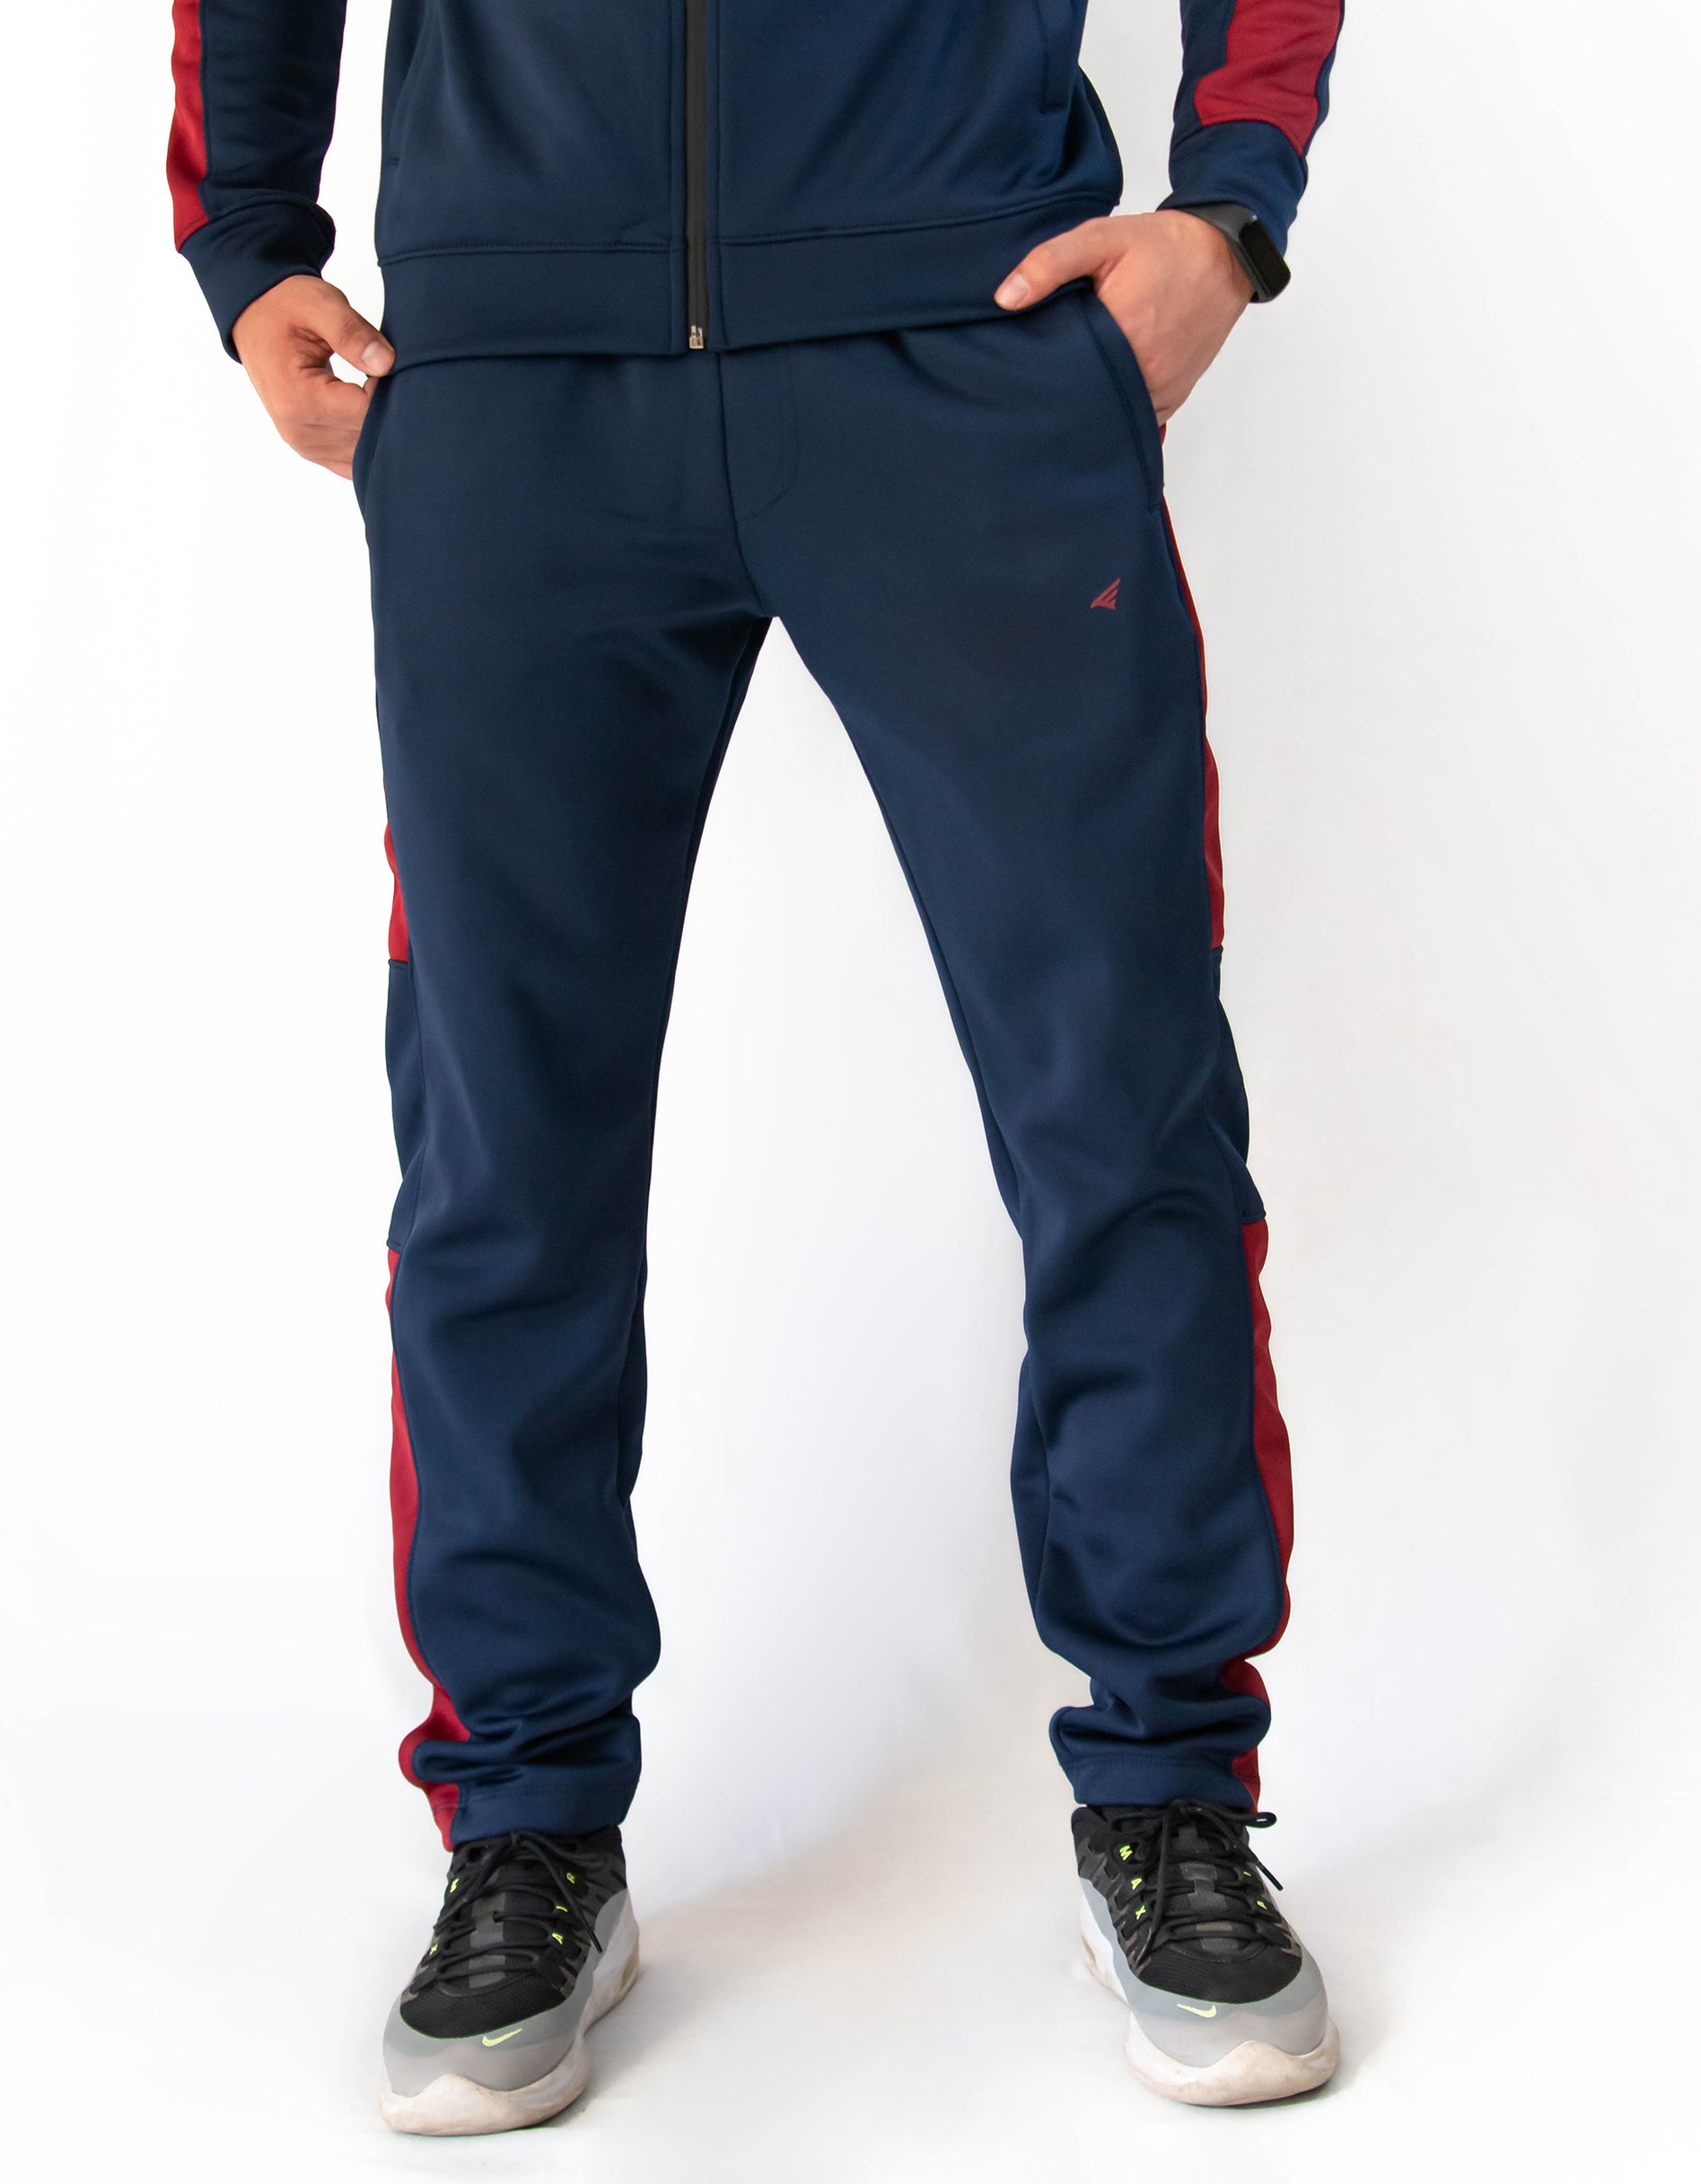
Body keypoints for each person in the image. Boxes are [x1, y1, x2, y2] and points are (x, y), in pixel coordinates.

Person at [168, 0, 1343, 2132]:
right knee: (501, 1142)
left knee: (1119, 1103)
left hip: (964, 335)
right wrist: (248, 236)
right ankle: (525, 1812)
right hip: (518, 375)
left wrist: (1228, 208)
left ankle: (1173, 1776)